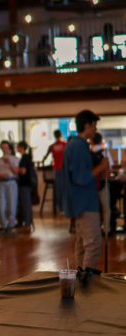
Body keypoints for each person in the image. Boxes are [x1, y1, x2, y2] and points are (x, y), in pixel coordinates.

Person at [63, 110, 110, 270]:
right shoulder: (78, 146)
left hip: (81, 200)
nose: (96, 129)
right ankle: (87, 283)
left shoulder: (76, 145)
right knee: (94, 243)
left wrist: (98, 175)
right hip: (84, 202)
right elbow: (80, 177)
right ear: (87, 125)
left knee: (83, 243)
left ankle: (81, 280)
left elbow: (82, 176)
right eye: (95, 125)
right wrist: (102, 167)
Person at [0, 141, 20, 233]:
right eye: (2, 147)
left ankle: (11, 225)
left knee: (12, 204)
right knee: (1, 205)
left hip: (11, 181)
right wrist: (0, 175)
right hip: (1, 182)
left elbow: (17, 172)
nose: (4, 149)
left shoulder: (15, 159)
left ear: (10, 149)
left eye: (6, 147)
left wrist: (9, 164)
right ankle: (4, 225)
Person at [90, 132, 114, 236]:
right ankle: (106, 228)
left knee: (93, 207)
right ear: (101, 140)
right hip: (102, 182)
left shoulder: (88, 153)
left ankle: (94, 229)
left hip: (91, 183)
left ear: (91, 141)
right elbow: (110, 168)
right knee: (106, 207)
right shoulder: (104, 153)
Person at [42, 130, 66, 214]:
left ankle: (60, 208)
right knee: (65, 189)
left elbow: (44, 158)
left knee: (58, 189)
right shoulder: (65, 145)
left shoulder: (52, 146)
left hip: (56, 169)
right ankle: (66, 208)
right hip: (65, 169)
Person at [17, 141, 36, 234]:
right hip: (29, 185)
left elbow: (23, 171)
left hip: (25, 184)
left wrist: (13, 167)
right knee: (27, 205)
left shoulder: (24, 158)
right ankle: (28, 223)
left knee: (26, 205)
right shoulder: (28, 157)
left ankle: (27, 224)